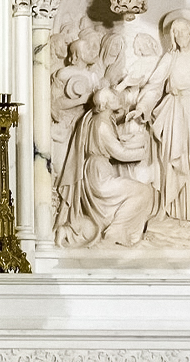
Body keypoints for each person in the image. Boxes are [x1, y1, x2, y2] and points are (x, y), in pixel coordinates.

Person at [133, 15, 190, 228]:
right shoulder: (170, 59)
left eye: (183, 30)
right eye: (175, 32)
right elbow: (154, 86)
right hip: (175, 109)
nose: (179, 35)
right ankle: (181, 213)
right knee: (176, 163)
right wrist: (142, 107)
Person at [56, 87, 156, 247]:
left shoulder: (99, 119)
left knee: (132, 196)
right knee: (143, 192)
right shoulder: (102, 123)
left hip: (97, 170)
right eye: (114, 97)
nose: (118, 98)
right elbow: (119, 152)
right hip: (99, 174)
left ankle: (112, 231)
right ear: (106, 104)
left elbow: (114, 143)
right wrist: (143, 152)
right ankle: (116, 234)